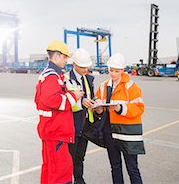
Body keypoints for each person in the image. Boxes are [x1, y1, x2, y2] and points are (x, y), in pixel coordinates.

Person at [35, 41, 84, 184]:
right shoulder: (52, 77)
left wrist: (68, 93)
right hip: (56, 131)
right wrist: (73, 96)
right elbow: (53, 100)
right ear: (56, 56)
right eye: (65, 57)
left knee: (50, 169)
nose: (66, 60)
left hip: (51, 130)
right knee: (61, 172)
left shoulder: (50, 75)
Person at [93, 53, 145, 184]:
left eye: (117, 71)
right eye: (111, 70)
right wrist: (98, 108)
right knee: (115, 167)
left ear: (123, 70)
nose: (113, 74)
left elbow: (139, 108)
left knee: (132, 168)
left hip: (126, 134)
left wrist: (120, 109)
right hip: (110, 132)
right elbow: (97, 101)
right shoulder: (103, 86)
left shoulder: (131, 87)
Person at [66, 48, 95, 184]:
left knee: (80, 157)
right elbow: (65, 101)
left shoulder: (88, 79)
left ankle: (79, 180)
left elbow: (91, 96)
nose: (85, 69)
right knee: (69, 158)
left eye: (87, 66)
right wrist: (80, 101)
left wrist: (94, 103)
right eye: (82, 67)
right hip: (72, 126)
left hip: (85, 125)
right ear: (74, 64)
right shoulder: (66, 79)